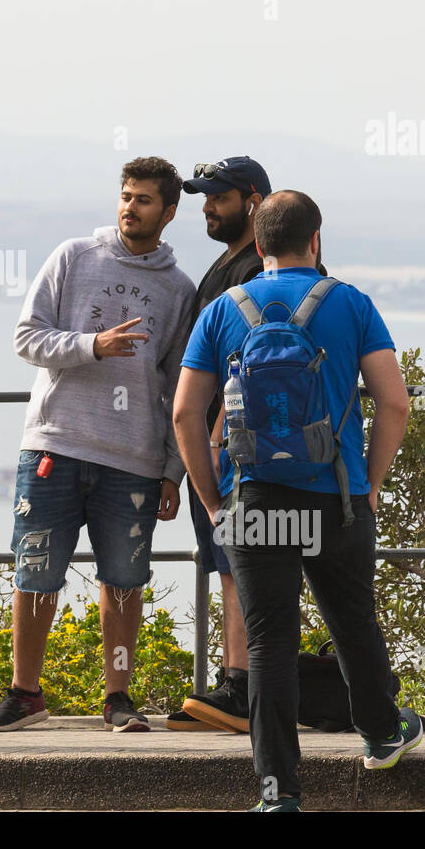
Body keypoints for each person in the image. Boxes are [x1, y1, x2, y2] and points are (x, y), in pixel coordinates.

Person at [172, 190, 420, 810]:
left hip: (253, 501)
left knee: (268, 646)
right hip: (335, 498)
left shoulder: (225, 310)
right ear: (316, 239)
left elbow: (183, 415)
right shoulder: (351, 304)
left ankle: (278, 791)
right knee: (352, 622)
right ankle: (383, 731)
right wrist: (367, 487)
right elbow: (394, 402)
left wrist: (213, 501)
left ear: (257, 246)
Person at [0, 157, 196, 734]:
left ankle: (118, 697)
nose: (130, 207)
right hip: (56, 443)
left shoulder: (180, 289)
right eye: (126, 196)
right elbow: (26, 338)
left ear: (169, 212)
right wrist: (91, 345)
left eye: (145, 199)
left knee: (124, 580)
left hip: (133, 460)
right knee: (35, 571)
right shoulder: (74, 257)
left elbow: (181, 386)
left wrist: (173, 470)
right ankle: (25, 693)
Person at [167, 157, 271, 734]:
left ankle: (246, 687)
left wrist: (215, 437)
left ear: (253, 200)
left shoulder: (257, 267)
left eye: (219, 197)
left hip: (235, 446)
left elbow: (251, 364)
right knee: (230, 565)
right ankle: (238, 681)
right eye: (204, 197)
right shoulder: (225, 265)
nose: (207, 206)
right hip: (217, 444)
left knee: (243, 565)